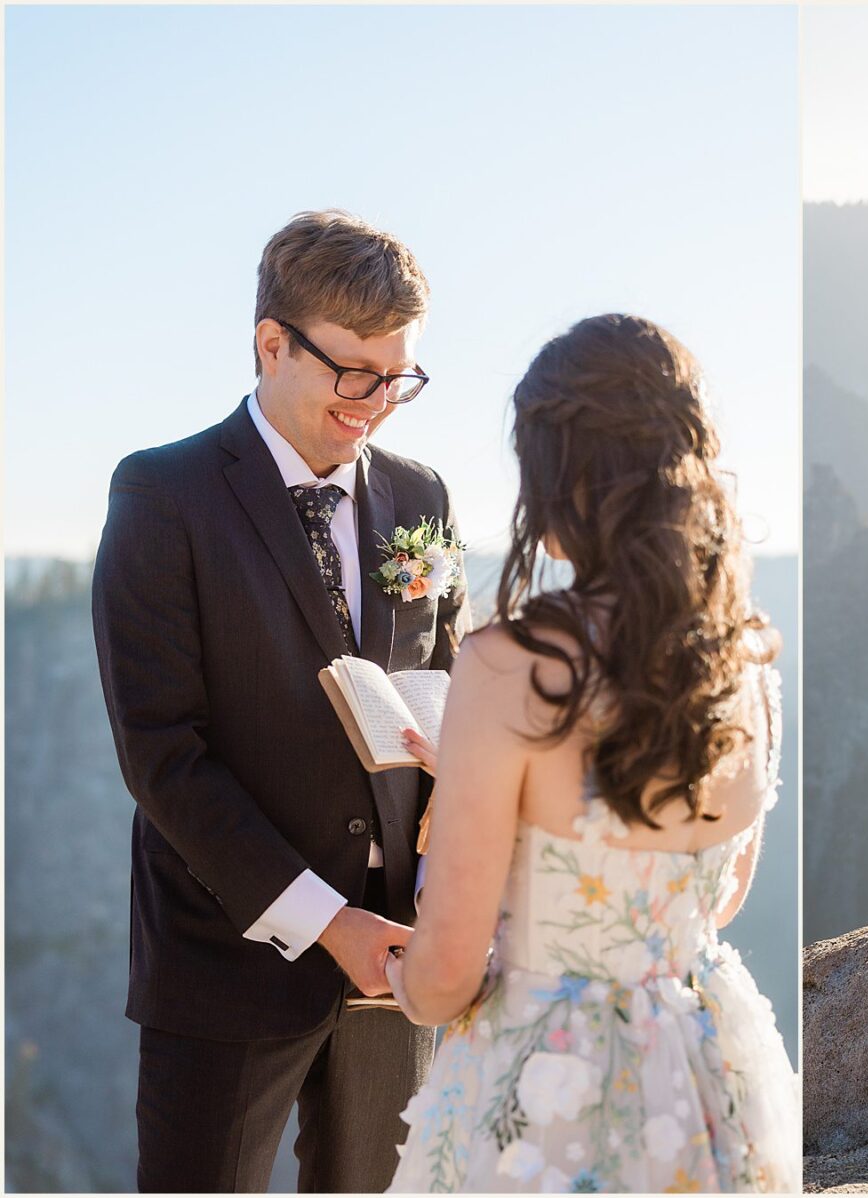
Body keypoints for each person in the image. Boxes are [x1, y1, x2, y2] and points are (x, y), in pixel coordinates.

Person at [91, 210, 469, 1191]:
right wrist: (324, 920)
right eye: (355, 374)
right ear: (271, 343)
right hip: (226, 959)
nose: (378, 402)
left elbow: (456, 685)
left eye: (400, 377)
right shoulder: (161, 495)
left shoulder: (423, 497)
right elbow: (162, 756)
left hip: (398, 961)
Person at [385, 314, 800, 1192]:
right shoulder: (750, 656)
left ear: (561, 479)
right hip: (703, 1074)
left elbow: (447, 977)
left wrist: (399, 972)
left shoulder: (511, 666)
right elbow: (717, 900)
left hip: (544, 1094)